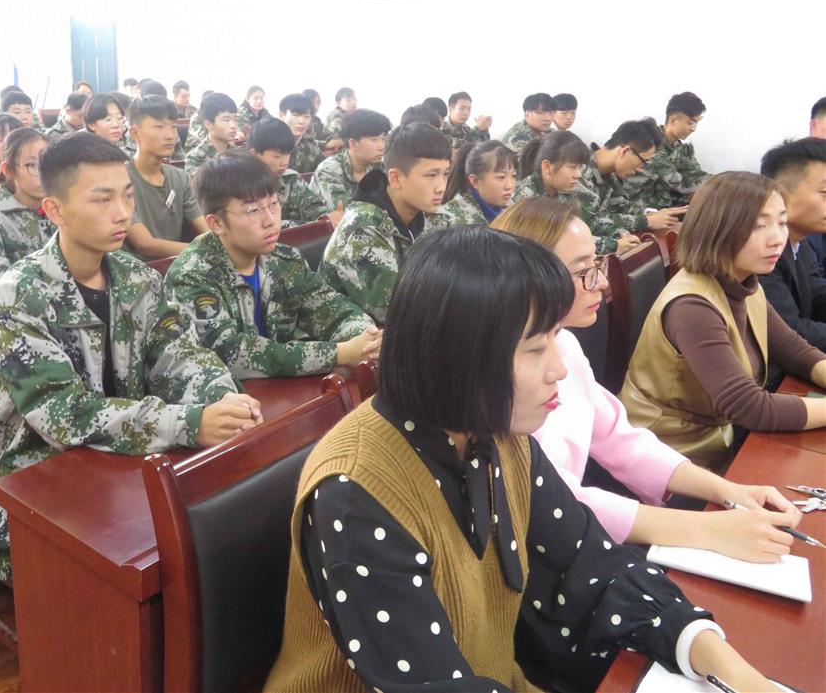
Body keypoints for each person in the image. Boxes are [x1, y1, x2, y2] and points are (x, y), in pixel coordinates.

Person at [265, 224, 783, 693]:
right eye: (535, 350)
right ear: (459, 358)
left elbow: (591, 564)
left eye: (556, 339)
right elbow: (430, 681)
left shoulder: (498, 434)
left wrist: (724, 664)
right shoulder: (356, 492)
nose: (559, 369)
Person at [0, 134, 261, 581]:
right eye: (102, 199)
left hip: (121, 460)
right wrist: (189, 423)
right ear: (55, 211)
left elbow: (179, 354)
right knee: (168, 561)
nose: (123, 212)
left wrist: (222, 400)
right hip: (30, 484)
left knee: (225, 528)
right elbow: (64, 416)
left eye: (127, 195)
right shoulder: (19, 294)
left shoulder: (135, 276)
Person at [491, 198, 802, 560]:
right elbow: (555, 500)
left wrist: (730, 491)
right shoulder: (498, 375)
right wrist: (706, 529)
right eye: (582, 271)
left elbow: (620, 439)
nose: (602, 282)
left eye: (597, 264)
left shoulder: (565, 344)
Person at [621, 171, 826, 469]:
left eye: (782, 223)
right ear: (717, 229)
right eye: (759, 226)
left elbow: (795, 351)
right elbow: (751, 408)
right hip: (672, 452)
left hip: (719, 434)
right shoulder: (693, 306)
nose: (777, 238)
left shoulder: (743, 282)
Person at [163, 152, 380, 380]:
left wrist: (367, 341)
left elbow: (335, 311)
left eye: (273, 204)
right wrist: (338, 354)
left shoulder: (285, 260)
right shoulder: (192, 275)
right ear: (216, 223)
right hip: (231, 396)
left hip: (286, 389)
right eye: (253, 211)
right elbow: (229, 355)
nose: (270, 220)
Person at [320, 122, 453, 325]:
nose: (441, 187)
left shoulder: (430, 213)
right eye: (431, 175)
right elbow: (394, 312)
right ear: (396, 178)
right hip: (354, 334)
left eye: (446, 173)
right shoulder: (364, 227)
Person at [758, 138, 826, 377]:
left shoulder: (800, 241)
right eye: (825, 192)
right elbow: (789, 332)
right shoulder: (760, 252)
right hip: (769, 377)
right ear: (780, 196)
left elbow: (817, 295)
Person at [515, 131, 640, 255]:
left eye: (580, 167)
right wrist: (613, 246)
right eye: (572, 167)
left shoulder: (565, 192)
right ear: (547, 167)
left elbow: (591, 221)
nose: (579, 174)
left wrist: (619, 233)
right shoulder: (527, 198)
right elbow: (560, 241)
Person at [0, 128, 54, 290]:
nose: (44, 173)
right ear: (8, 170)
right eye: (32, 165)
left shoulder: (64, 206)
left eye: (48, 163)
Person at [124, 96, 208, 259]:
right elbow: (145, 244)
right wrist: (205, 250)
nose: (170, 135)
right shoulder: (120, 180)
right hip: (136, 270)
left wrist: (220, 244)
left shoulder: (179, 177)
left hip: (177, 265)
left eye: (173, 126)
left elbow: (203, 225)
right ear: (135, 133)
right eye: (159, 126)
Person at [585, 118, 688, 234]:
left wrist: (650, 214)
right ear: (625, 151)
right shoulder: (577, 169)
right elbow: (588, 223)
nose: (640, 169)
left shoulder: (609, 175)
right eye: (643, 161)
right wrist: (646, 221)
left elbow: (619, 205)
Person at [621, 91, 709, 209]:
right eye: (690, 122)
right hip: (637, 206)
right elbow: (678, 182)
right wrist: (709, 187)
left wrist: (717, 182)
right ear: (672, 120)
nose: (694, 128)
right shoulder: (649, 143)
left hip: (666, 203)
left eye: (697, 122)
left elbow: (695, 173)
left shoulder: (683, 147)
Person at [247, 119, 333, 228]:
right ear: (255, 154)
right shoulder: (240, 187)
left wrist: (327, 217)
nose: (285, 162)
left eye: (288, 154)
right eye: (277, 156)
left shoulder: (291, 180)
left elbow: (313, 207)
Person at [310, 108, 390, 213]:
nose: (382, 146)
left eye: (383, 139)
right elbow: (347, 213)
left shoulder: (378, 167)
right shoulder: (329, 170)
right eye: (374, 140)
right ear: (353, 144)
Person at [440, 139, 517, 225]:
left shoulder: (511, 210)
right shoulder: (457, 222)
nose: (509, 185)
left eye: (513, 176)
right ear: (475, 181)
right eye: (501, 177)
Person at [183, 92, 240, 176]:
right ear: (208, 124)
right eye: (226, 120)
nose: (233, 126)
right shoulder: (195, 158)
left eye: (235, 119)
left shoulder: (238, 153)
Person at [278, 93, 326, 174]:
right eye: (295, 115)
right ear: (282, 116)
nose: (301, 121)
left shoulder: (311, 145)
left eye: (307, 116)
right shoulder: (270, 143)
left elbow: (325, 169)